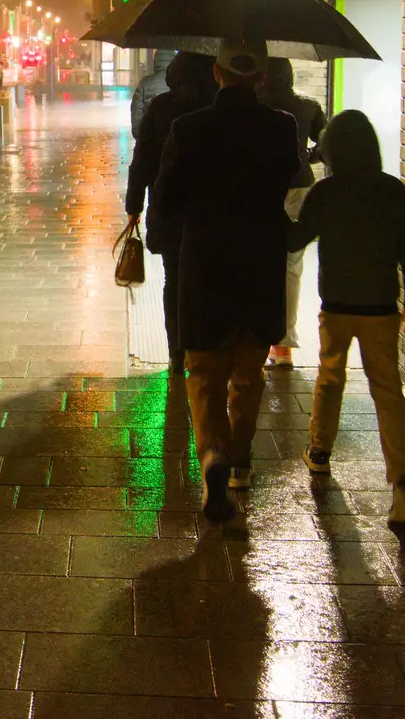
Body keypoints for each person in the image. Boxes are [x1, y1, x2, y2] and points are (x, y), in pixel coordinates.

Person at [150, 39, 299, 522]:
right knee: (248, 375)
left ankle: (213, 452)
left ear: (216, 74)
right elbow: (289, 181)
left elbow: (168, 200)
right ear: (260, 78)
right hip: (259, 264)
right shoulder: (282, 128)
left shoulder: (188, 129)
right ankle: (240, 459)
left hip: (206, 265)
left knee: (204, 374)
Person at [288, 110, 405, 525]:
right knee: (387, 392)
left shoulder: (326, 192)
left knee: (330, 377)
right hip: (381, 307)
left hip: (337, 306)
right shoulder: (393, 191)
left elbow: (295, 237)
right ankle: (402, 484)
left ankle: (320, 452)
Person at [123, 52, 218, 375]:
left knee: (174, 280)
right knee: (209, 280)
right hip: (212, 213)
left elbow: (143, 160)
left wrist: (134, 205)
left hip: (170, 209)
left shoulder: (162, 108)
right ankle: (204, 347)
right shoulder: (219, 108)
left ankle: (177, 352)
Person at [257, 58, 326, 369]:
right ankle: (283, 346)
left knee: (258, 263)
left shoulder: (255, 106)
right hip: (299, 188)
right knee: (291, 266)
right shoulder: (307, 106)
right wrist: (306, 156)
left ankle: (257, 340)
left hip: (261, 190)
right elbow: (327, 143)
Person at [129, 50, 177, 136]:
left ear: (155, 61)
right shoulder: (179, 84)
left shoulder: (144, 83)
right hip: (175, 142)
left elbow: (136, 122)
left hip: (150, 142)